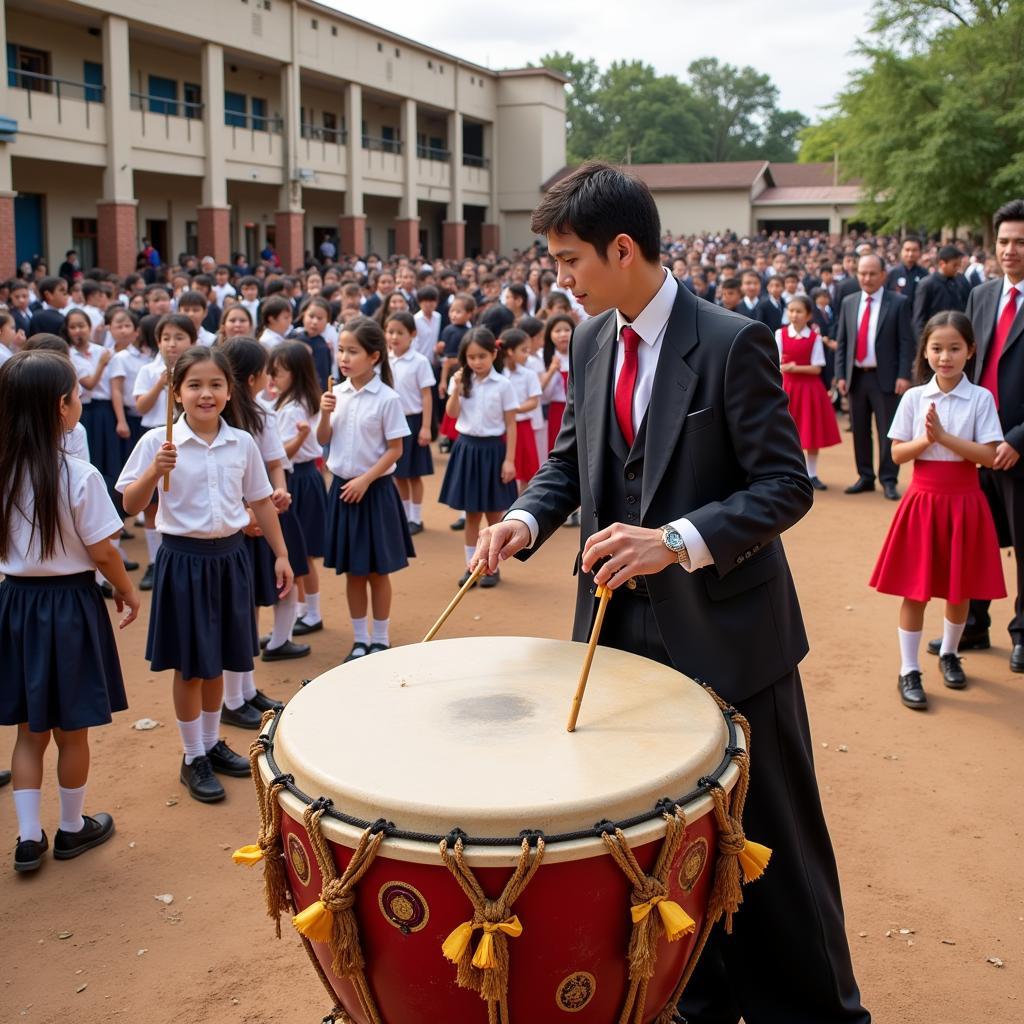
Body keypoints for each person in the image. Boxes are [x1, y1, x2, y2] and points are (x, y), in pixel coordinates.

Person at [474, 163, 868, 1024]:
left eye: (570, 259)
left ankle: (815, 1011)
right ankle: (692, 992)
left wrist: (676, 542)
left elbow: (784, 486)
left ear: (623, 249)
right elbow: (570, 467)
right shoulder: (584, 341)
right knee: (654, 838)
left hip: (731, 637)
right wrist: (524, 523)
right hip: (616, 634)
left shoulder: (732, 340)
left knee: (773, 844)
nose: (561, 278)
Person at [117, 346, 294, 804]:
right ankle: (192, 754)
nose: (206, 393)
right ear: (176, 392)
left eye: (216, 384)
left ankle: (213, 743)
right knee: (191, 664)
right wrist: (154, 472)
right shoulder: (158, 442)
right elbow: (130, 506)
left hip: (231, 557)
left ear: (230, 390)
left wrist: (280, 554)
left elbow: (258, 501)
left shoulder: (242, 443)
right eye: (194, 385)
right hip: (183, 561)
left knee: (220, 656)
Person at [1, 350, 140, 872]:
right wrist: (126, 590)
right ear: (62, 407)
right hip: (71, 604)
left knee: (28, 732)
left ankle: (27, 837)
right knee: (71, 731)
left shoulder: (3, 470)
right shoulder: (79, 475)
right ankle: (72, 828)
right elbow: (104, 550)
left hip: (16, 603)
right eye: (77, 394)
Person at [871, 311, 1004, 710]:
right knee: (916, 589)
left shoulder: (981, 398)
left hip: (966, 501)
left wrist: (944, 437)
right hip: (923, 502)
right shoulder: (914, 397)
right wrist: (926, 443)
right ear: (925, 352)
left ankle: (949, 653)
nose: (945, 356)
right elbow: (896, 453)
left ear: (970, 351)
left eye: (954, 348)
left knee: (958, 588)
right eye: (937, 348)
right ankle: (908, 669)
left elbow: (991, 457)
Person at [927, 200, 1024, 666]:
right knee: (974, 542)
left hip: (1018, 444)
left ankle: (1022, 631)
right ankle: (972, 628)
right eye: (1004, 241)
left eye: (1020, 242)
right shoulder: (981, 294)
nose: (1010, 250)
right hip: (974, 441)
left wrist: (1018, 439)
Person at [218, 339, 308, 734]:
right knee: (239, 612)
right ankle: (231, 698)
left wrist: (279, 491)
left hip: (263, 517)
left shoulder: (262, 414)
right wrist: (244, 515)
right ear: (254, 377)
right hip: (233, 525)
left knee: (259, 598)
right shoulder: (217, 419)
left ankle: (246, 689)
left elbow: (275, 463)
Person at [317, 316, 413, 663]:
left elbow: (395, 450)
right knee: (354, 570)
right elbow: (323, 441)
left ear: (374, 357)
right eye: (341, 350)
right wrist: (324, 414)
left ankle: (381, 637)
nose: (344, 357)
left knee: (377, 570)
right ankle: (360, 640)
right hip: (344, 491)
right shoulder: (335, 395)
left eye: (352, 351)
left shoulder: (387, 397)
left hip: (375, 491)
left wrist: (365, 479)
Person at [439, 326, 518, 589]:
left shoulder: (504, 384)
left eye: (482, 356)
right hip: (467, 449)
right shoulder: (460, 380)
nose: (477, 362)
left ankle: (491, 567)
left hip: (494, 451)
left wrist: (509, 460)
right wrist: (457, 388)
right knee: (471, 514)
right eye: (471, 357)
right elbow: (451, 414)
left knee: (494, 515)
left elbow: (511, 424)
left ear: (494, 354)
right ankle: (471, 566)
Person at [835, 253, 915, 500]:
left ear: (883, 275)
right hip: (856, 376)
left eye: (872, 273)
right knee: (859, 430)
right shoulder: (849, 301)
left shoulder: (899, 302)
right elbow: (842, 342)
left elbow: (906, 342)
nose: (866, 278)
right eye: (862, 273)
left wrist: (904, 375)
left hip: (887, 377)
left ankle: (889, 480)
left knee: (887, 431)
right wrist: (840, 374)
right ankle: (865, 476)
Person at [269, 342, 328, 637]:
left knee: (301, 553)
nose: (273, 378)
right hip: (302, 478)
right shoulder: (292, 401)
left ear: (295, 373)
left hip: (299, 479)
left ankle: (312, 612)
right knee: (298, 552)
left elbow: (284, 453)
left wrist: (299, 437)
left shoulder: (294, 406)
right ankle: (304, 611)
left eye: (278, 373)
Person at [777, 295, 841, 490]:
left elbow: (817, 368)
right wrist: (787, 368)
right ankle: (787, 473)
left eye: (798, 312)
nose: (794, 315)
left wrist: (795, 368)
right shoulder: (780, 334)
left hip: (809, 389)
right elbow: (775, 362)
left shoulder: (814, 337)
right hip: (786, 388)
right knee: (785, 431)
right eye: (791, 311)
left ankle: (812, 474)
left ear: (808, 315)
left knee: (811, 431)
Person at [386, 311, 434, 535]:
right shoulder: (385, 359)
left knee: (413, 473)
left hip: (413, 421)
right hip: (392, 422)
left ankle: (416, 518)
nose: (394, 337)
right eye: (390, 332)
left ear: (412, 334)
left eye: (400, 332)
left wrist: (425, 427)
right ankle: (404, 516)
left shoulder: (420, 361)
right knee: (398, 473)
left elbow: (426, 395)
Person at [500, 327, 542, 492]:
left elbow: (533, 402)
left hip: (523, 427)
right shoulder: (498, 374)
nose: (527, 354)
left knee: (526, 472)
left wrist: (513, 410)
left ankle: (521, 506)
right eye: (523, 350)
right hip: (502, 428)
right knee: (505, 469)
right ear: (510, 351)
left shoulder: (528, 374)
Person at [912, 245, 972, 338]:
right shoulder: (927, 284)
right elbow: (919, 319)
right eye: (954, 265)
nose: (957, 268)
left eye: (959, 265)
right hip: (935, 335)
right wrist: (922, 345)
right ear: (942, 264)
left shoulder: (962, 281)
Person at [290, 295, 334, 391]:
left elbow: (324, 376)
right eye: (311, 316)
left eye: (320, 318)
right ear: (303, 315)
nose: (314, 322)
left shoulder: (324, 346)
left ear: (327, 321)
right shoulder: (293, 339)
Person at [886, 236, 929, 306]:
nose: (910, 254)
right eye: (907, 250)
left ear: (920, 252)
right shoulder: (892, 274)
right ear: (901, 251)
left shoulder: (925, 274)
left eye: (914, 250)